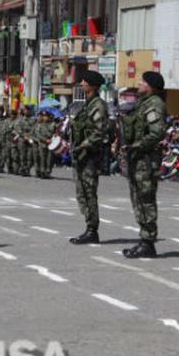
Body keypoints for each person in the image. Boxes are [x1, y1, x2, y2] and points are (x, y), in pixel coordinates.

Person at [122, 71, 168, 259]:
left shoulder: (154, 104)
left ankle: (148, 242)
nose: (139, 84)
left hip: (146, 160)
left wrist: (136, 146)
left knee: (146, 200)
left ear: (151, 86)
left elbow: (157, 132)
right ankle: (144, 239)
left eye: (143, 81)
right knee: (138, 199)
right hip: (137, 158)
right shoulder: (143, 104)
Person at [69, 70, 110, 244]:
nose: (82, 83)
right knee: (81, 193)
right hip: (81, 155)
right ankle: (89, 226)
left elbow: (99, 132)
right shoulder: (88, 104)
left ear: (92, 85)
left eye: (85, 81)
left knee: (89, 193)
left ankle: (92, 230)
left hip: (90, 157)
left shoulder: (98, 105)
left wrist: (83, 146)